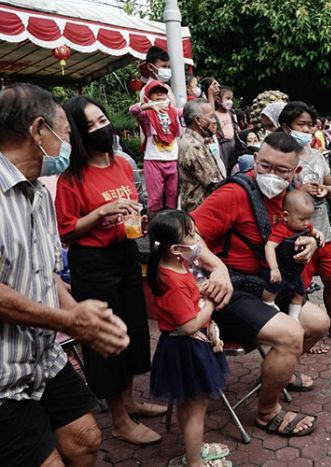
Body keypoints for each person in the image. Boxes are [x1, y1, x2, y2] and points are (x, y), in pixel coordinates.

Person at [0, 83, 130, 467]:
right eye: (67, 133)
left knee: (86, 438)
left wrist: (84, 319)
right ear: (38, 130)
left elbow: (42, 270)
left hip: (42, 356)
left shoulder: (38, 191)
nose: (70, 143)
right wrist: (68, 319)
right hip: (4, 370)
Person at [191, 132, 329, 436]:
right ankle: (268, 412)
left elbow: (305, 227)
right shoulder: (234, 193)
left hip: (270, 285)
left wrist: (312, 241)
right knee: (291, 334)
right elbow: (187, 233)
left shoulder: (292, 194)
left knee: (319, 324)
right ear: (255, 160)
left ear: (296, 172)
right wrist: (216, 268)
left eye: (281, 170)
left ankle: (279, 371)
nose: (271, 175)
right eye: (265, 166)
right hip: (231, 291)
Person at [56, 95, 165, 446]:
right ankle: (118, 419)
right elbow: (66, 231)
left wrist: (138, 222)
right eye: (90, 126)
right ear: (78, 135)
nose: (101, 128)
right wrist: (103, 212)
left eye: (102, 120)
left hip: (126, 253)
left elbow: (130, 209)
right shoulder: (71, 178)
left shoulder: (120, 164)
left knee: (133, 328)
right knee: (108, 337)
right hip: (93, 263)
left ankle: (130, 402)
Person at [147, 210, 232, 467]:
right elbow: (189, 325)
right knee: (196, 410)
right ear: (176, 248)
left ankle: (193, 449)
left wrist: (199, 292)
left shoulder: (175, 267)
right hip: (188, 348)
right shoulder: (172, 279)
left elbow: (187, 301)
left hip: (183, 347)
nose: (197, 239)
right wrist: (210, 303)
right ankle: (194, 461)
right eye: (192, 234)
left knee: (188, 405)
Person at [279, 101, 331, 351]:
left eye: (309, 125)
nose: (306, 129)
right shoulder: (282, 156)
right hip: (295, 234)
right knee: (300, 286)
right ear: (286, 128)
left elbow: (330, 186)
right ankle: (308, 331)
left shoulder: (317, 155)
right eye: (300, 125)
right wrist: (298, 190)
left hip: (323, 230)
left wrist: (324, 190)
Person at [263, 190, 323, 320]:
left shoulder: (304, 227)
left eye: (309, 219)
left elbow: (313, 231)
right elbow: (269, 246)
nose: (306, 223)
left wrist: (318, 235)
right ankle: (268, 304)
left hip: (295, 272)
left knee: (299, 293)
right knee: (272, 289)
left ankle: (294, 318)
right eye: (302, 219)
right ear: (285, 216)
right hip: (282, 270)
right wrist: (274, 268)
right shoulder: (282, 230)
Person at [130, 80, 182, 213]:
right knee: (155, 196)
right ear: (148, 96)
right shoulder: (146, 114)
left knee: (173, 193)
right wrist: (149, 106)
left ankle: (172, 220)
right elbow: (132, 110)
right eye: (154, 93)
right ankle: (154, 221)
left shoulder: (174, 112)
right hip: (153, 159)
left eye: (163, 92)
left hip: (172, 158)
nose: (159, 95)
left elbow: (190, 109)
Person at [178, 98, 226, 212]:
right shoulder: (194, 146)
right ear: (198, 120)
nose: (215, 121)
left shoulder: (196, 140)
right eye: (211, 117)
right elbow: (215, 183)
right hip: (200, 210)